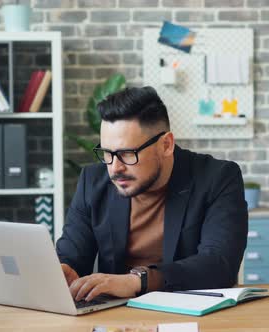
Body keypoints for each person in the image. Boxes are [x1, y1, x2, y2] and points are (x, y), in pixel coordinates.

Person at [56, 86, 248, 303]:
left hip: (192, 308)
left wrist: (137, 281)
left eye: (127, 153)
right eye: (107, 153)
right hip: (116, 315)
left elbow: (219, 263)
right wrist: (64, 270)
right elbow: (72, 253)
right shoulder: (92, 181)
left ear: (166, 145)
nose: (114, 168)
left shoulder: (217, 178)